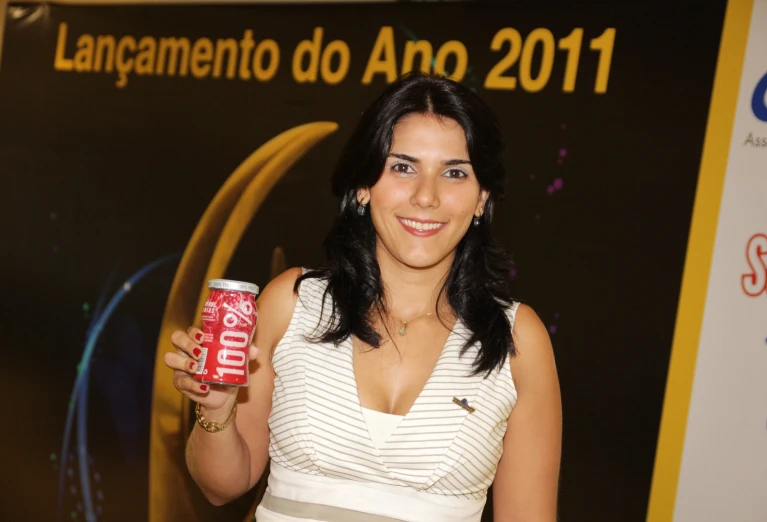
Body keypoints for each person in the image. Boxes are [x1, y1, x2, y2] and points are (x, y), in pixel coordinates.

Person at [165, 72, 562, 522]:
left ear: (480, 198)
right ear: (363, 185)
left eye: (454, 173)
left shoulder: (517, 340)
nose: (426, 197)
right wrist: (215, 408)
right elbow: (221, 487)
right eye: (402, 167)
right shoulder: (291, 304)